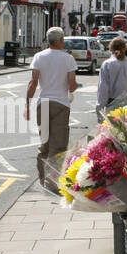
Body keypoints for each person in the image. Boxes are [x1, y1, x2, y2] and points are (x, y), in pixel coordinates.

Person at [25, 27, 78, 191]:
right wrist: (74, 87)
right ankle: (53, 183)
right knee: (59, 146)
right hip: (61, 104)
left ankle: (43, 180)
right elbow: (72, 85)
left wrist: (27, 105)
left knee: (44, 144)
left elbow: (33, 83)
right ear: (61, 40)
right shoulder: (68, 59)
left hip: (43, 104)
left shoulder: (39, 57)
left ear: (48, 41)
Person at [97, 37, 127, 120]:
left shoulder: (107, 64)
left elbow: (103, 89)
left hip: (113, 106)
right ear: (125, 48)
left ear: (111, 49)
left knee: (114, 131)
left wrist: (99, 109)